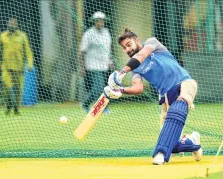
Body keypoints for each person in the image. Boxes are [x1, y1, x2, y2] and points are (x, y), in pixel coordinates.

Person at [103, 28, 203, 165]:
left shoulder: (152, 43)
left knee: (178, 108)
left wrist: (121, 73)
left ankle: (160, 153)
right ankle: (192, 141)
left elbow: (141, 56)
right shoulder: (135, 69)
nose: (127, 49)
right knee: (172, 143)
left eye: (129, 44)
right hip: (166, 97)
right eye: (124, 48)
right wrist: (120, 90)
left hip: (184, 83)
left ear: (137, 40)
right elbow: (138, 88)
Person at [0, 17, 33, 115]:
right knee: (6, 88)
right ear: (7, 24)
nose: (12, 25)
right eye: (10, 23)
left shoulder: (22, 36)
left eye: (14, 23)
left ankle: (16, 108)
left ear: (17, 25)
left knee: (18, 89)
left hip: (18, 67)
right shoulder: (3, 36)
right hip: (6, 67)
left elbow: (28, 51)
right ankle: (8, 106)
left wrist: (30, 64)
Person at [80, 11, 113, 113]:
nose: (100, 23)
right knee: (97, 88)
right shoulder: (89, 33)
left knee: (106, 88)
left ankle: (102, 107)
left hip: (105, 65)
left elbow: (108, 49)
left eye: (102, 21)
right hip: (93, 65)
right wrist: (82, 67)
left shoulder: (106, 32)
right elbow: (82, 51)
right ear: (94, 22)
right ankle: (87, 104)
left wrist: (110, 61)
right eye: (98, 21)